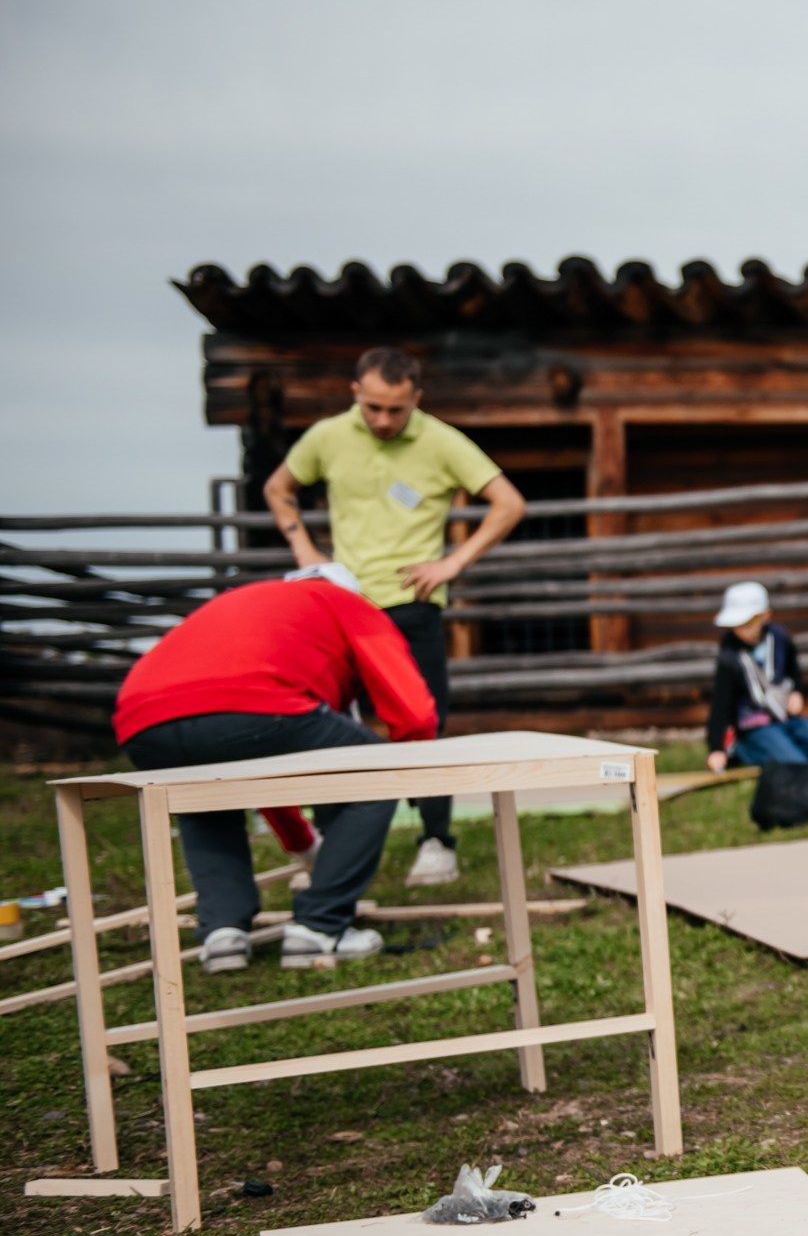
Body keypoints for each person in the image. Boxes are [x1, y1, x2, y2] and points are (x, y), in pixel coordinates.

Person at [263, 347, 526, 888]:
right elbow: (278, 489)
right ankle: (329, 845)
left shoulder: (441, 440)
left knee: (421, 720)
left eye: (396, 410)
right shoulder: (327, 436)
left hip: (411, 604)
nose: (383, 420)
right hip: (342, 604)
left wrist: (453, 562)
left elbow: (508, 502)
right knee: (331, 724)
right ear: (355, 391)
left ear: (416, 400)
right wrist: (305, 554)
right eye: (374, 407)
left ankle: (435, 841)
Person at [112, 566, 438, 972]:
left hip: (141, 720)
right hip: (255, 706)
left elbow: (261, 767)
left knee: (204, 798)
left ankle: (223, 934)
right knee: (376, 772)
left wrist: (303, 846)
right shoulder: (348, 604)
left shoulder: (252, 602)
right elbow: (416, 714)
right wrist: (412, 774)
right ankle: (321, 927)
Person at [704, 581, 808, 772]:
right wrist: (716, 748)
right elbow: (721, 702)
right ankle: (741, 751)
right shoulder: (729, 655)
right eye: (736, 625)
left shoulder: (780, 637)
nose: (740, 631)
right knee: (795, 764)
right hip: (754, 727)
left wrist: (797, 692)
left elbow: (793, 670)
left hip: (785, 718)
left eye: (747, 624)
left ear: (765, 616)